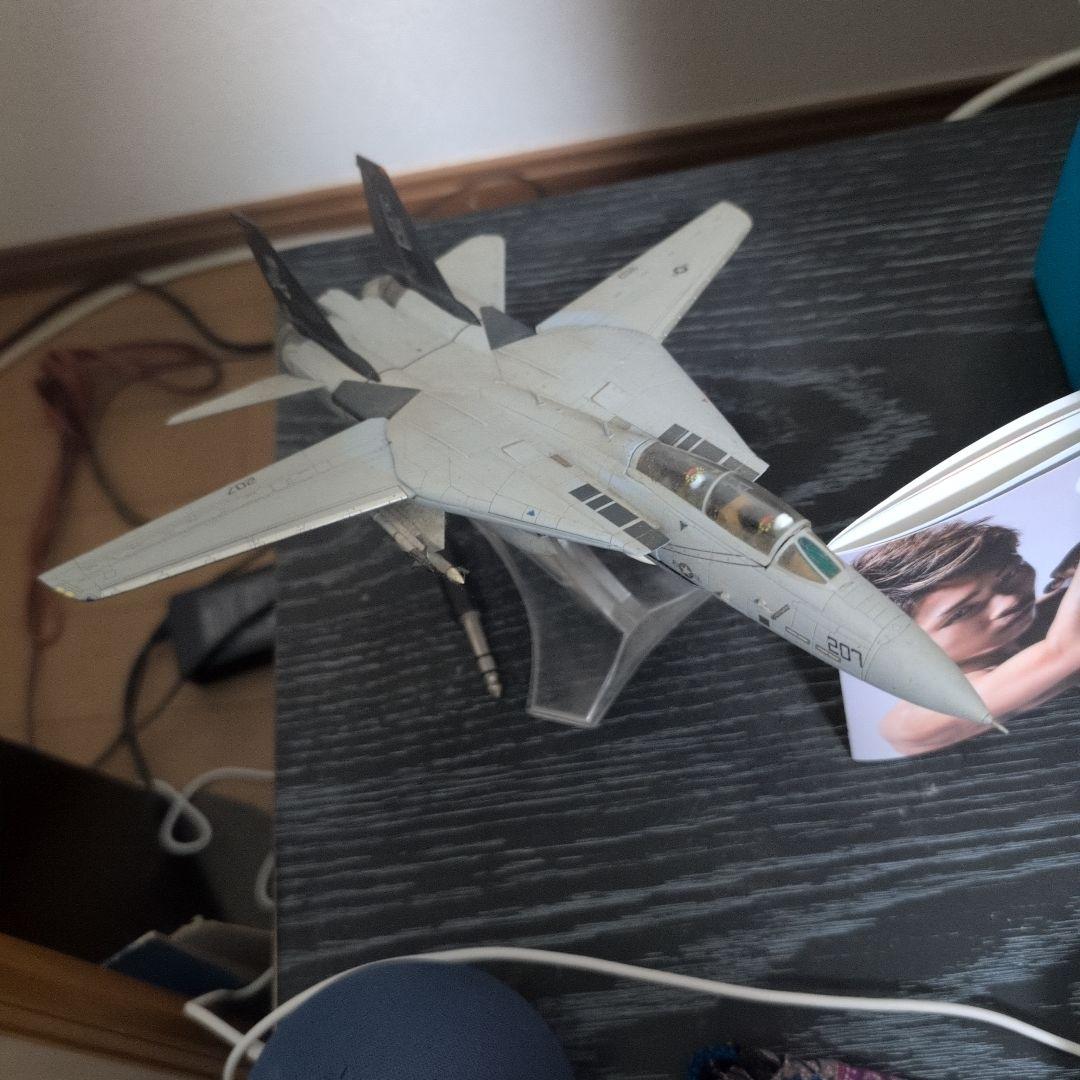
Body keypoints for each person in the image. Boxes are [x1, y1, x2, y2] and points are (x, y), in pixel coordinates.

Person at [853, 522, 1080, 755]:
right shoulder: (912, 720)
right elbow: (1065, 651)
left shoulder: (1010, 638)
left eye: (1009, 576)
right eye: (962, 612)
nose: (1009, 602)